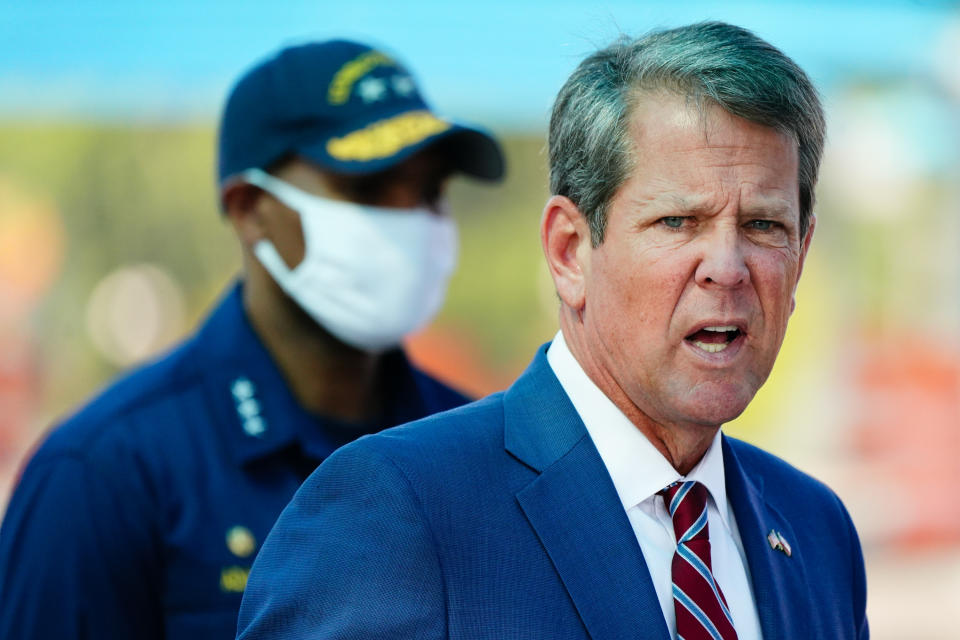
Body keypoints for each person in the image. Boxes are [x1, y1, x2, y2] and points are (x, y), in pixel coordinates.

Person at [236, 22, 868, 640]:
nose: (727, 268)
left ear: (802, 253)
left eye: (763, 225)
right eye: (678, 222)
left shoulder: (815, 529)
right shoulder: (395, 515)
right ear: (570, 251)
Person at [0, 40, 504, 639]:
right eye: (367, 188)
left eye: (430, 193)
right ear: (250, 208)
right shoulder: (104, 476)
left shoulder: (476, 451)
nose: (413, 225)